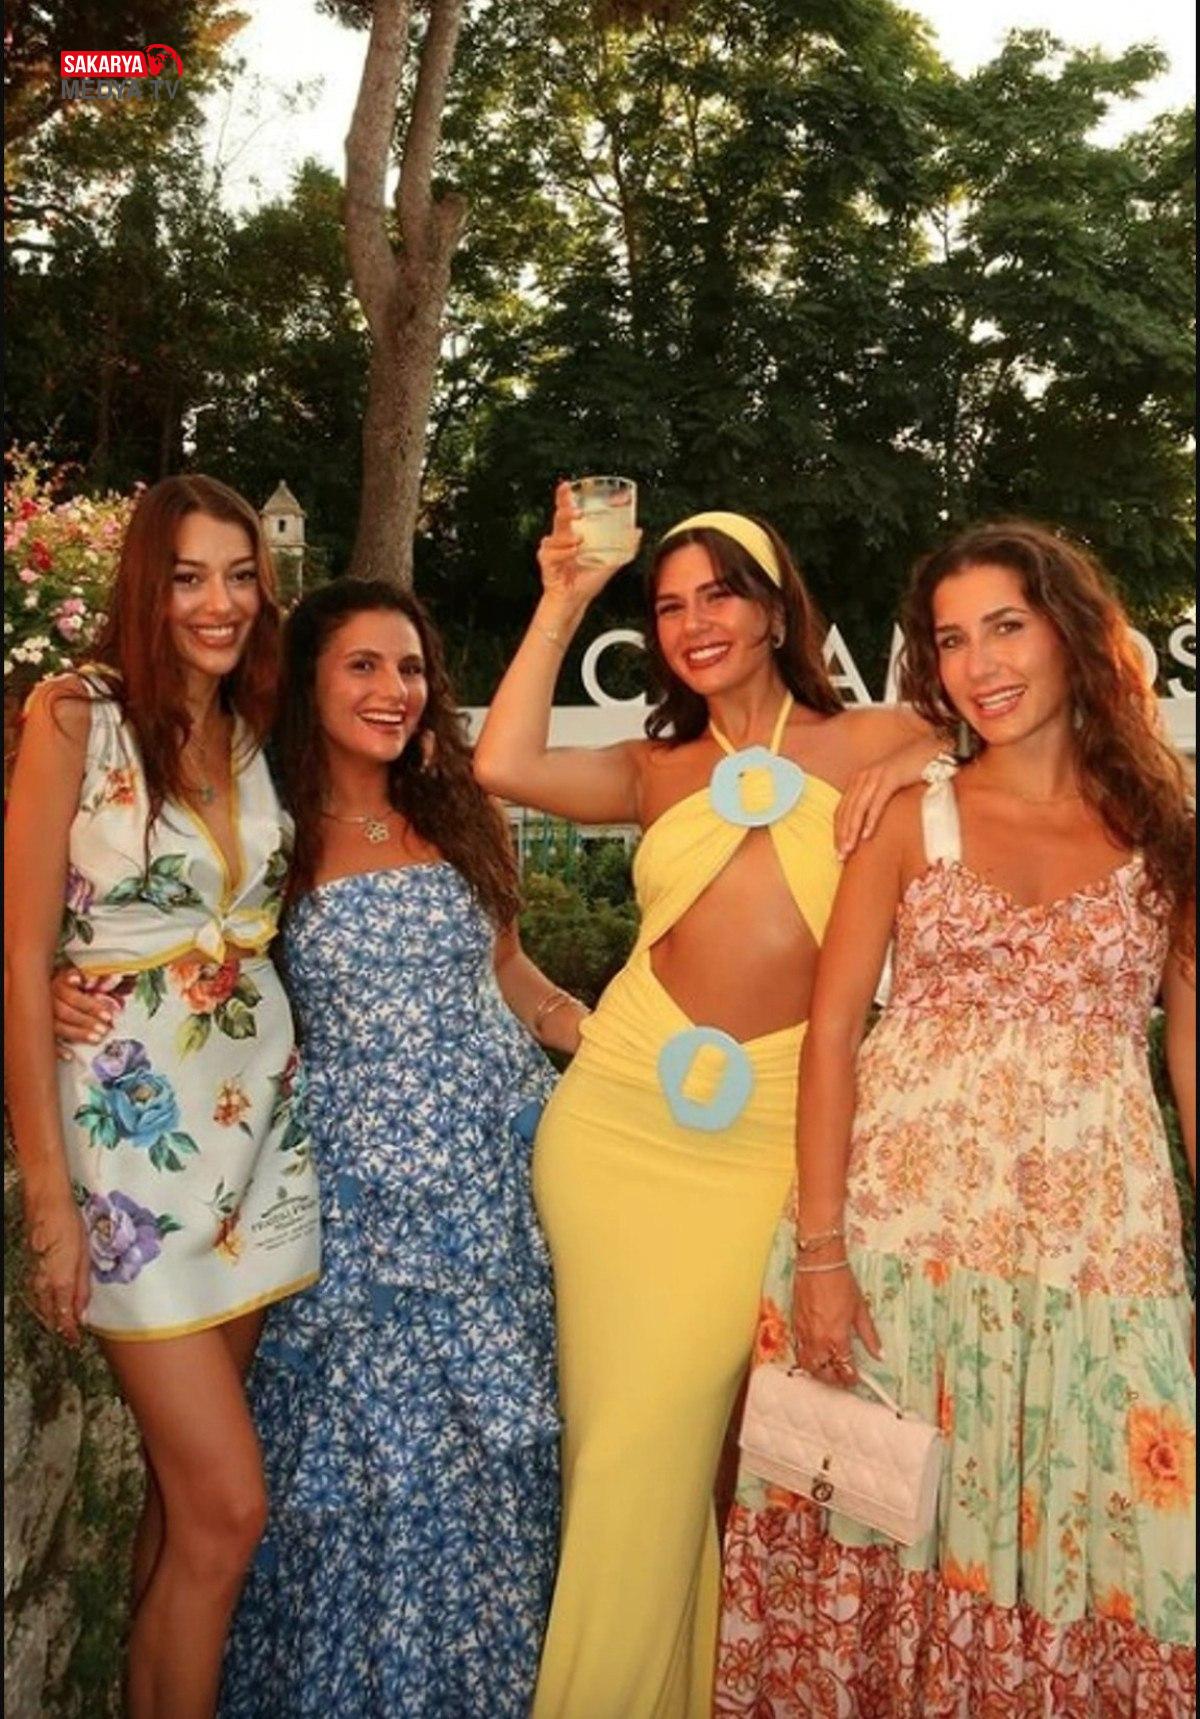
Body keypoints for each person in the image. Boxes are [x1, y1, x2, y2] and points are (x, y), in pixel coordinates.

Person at [473, 486, 946, 1718]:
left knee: (684, 1452)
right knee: (624, 1452)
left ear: (777, 609)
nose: (695, 624)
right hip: (616, 1123)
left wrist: (930, 757)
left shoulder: (879, 737)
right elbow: (502, 762)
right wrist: (566, 596)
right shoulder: (656, 767)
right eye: (671, 605)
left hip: (768, 1144)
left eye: (721, 595)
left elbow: (1055, 719)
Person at [717, 521, 1196, 1715]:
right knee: (878, 1531)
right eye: (951, 640)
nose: (980, 664)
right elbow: (834, 1037)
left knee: (1113, 1542)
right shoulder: (907, 816)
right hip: (901, 1253)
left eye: (1007, 627)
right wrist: (820, 1255)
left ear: (1071, 633)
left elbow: (1191, 1052)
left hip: (1097, 1260)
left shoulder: (1168, 828)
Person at [210, 580, 581, 1717]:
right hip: (358, 1214)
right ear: (309, 683)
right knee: (364, 1476)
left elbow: (510, 975)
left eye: (410, 667)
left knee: (487, 1465)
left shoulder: (464, 813)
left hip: (491, 1194)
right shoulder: (267, 835)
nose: (394, 690)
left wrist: (607, 1038)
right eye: (363, 666)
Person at [5, 475, 321, 1719]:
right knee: (231, 1509)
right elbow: (21, 951)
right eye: (189, 576)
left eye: (240, 575)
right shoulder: (76, 714)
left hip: (253, 1144)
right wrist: (49, 1204)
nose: (219, 602)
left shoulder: (249, 727)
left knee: (180, 1509)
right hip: (129, 1156)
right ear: (147, 584)